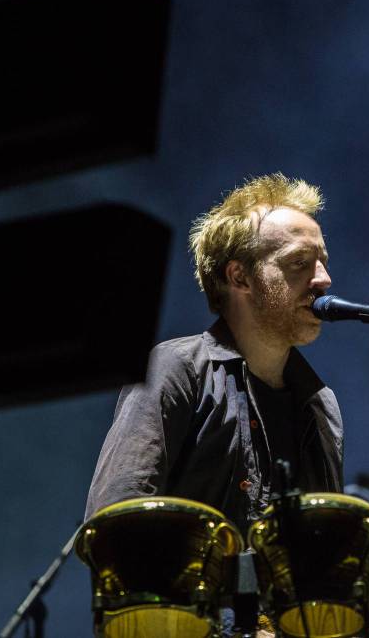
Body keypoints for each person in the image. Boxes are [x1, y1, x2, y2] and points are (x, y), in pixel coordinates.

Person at [84, 173, 342, 533]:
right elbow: (115, 525)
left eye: (323, 261)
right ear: (239, 277)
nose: (323, 279)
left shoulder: (320, 404)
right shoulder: (176, 367)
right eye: (299, 261)